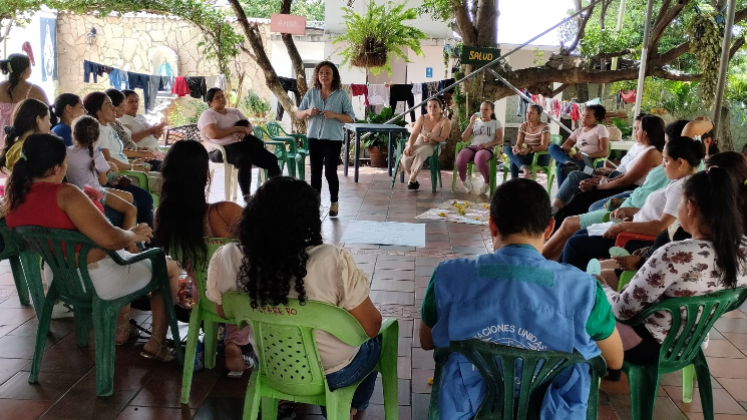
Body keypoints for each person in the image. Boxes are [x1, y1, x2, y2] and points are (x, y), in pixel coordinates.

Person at [419, 179, 623, 419]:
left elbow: (426, 340)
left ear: (492, 225)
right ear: (549, 227)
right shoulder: (584, 290)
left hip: (470, 409)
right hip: (550, 410)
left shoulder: (448, 276)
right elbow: (614, 360)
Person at [206, 177, 383, 417]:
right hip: (336, 371)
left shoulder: (228, 256)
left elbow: (223, 312)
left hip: (271, 365)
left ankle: (283, 400)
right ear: (308, 220)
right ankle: (348, 409)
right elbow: (371, 327)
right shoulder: (331, 259)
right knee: (378, 341)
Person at [4, 133, 181, 359]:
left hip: (60, 279)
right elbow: (111, 239)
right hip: (97, 280)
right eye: (65, 164)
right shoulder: (65, 193)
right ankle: (156, 344)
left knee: (123, 257)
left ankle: (121, 330)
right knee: (170, 268)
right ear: (55, 168)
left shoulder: (14, 199)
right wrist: (132, 234)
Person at [601, 167, 747, 363]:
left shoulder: (676, 254)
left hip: (649, 344)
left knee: (580, 306)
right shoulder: (743, 249)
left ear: (691, 207)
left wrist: (600, 286)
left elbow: (622, 311)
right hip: (692, 342)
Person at [154, 140, 249, 374]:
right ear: (205, 174)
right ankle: (235, 342)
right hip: (243, 301)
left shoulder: (162, 218)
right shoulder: (225, 211)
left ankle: (217, 338)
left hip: (204, 299)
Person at [544, 120, 688, 261]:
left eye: (638, 128)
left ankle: (541, 254)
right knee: (575, 189)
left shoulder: (673, 177)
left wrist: (622, 223)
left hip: (631, 223)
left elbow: (628, 181)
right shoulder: (672, 180)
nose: (663, 164)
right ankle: (549, 254)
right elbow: (629, 179)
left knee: (574, 223)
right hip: (628, 206)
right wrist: (606, 181)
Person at [559, 136, 704, 270]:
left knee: (574, 245)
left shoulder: (680, 189)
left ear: (680, 162)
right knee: (577, 235)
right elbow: (658, 214)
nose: (663, 165)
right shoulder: (678, 182)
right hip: (635, 229)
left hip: (638, 239)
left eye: (666, 160)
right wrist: (630, 211)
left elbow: (662, 226)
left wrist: (624, 226)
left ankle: (570, 289)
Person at [552, 114, 665, 223]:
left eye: (638, 128)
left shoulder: (652, 153)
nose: (635, 131)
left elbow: (625, 181)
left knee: (581, 199)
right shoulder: (646, 149)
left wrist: (597, 187)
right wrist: (602, 182)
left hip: (630, 189)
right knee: (578, 189)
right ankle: (556, 217)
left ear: (645, 133)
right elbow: (625, 175)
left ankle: (558, 226)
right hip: (621, 182)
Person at [83, 91, 154, 228]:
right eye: (109, 106)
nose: (114, 109)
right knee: (144, 198)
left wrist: (136, 156)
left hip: (123, 169)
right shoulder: (98, 130)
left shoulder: (107, 127)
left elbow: (118, 153)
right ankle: (144, 240)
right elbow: (107, 160)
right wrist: (132, 167)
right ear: (98, 111)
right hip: (115, 175)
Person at [198, 88, 281, 199]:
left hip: (242, 145)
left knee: (271, 159)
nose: (222, 98)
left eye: (222, 95)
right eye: (217, 97)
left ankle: (277, 190)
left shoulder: (234, 111)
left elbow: (249, 126)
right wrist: (236, 129)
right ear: (210, 102)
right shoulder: (208, 114)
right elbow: (214, 134)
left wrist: (244, 132)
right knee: (244, 160)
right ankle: (246, 195)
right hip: (219, 150)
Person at [296, 61, 356, 214]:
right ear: (317, 75)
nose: (324, 76)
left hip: (333, 139)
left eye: (328, 73)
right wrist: (308, 111)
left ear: (333, 75)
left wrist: (334, 114)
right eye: (321, 73)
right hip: (314, 138)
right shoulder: (311, 93)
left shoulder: (341, 94)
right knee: (315, 173)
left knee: (330, 172)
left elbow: (351, 118)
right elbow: (298, 113)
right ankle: (315, 205)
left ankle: (334, 203)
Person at [66, 115, 138, 239]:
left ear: (74, 135)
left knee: (129, 196)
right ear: (98, 136)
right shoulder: (96, 154)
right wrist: (110, 173)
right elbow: (104, 181)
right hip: (95, 194)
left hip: (77, 193)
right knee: (131, 210)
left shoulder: (66, 152)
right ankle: (131, 245)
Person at [548, 105, 609, 188]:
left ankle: (562, 197)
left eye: (588, 117)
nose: (583, 118)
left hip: (590, 164)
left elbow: (605, 152)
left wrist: (585, 156)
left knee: (561, 167)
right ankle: (568, 162)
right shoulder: (578, 131)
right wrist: (566, 147)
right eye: (583, 115)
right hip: (576, 161)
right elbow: (566, 145)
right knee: (552, 147)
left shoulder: (600, 128)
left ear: (596, 118)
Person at [399, 98, 451, 191]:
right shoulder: (422, 118)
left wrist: (432, 138)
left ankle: (411, 179)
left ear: (440, 108)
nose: (432, 108)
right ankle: (413, 181)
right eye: (430, 106)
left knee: (421, 153)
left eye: (435, 106)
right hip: (418, 142)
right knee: (406, 156)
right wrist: (410, 145)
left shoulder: (445, 122)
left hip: (433, 146)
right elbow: (414, 134)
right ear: (426, 108)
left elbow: (443, 138)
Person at [0, 54, 49, 148]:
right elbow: (47, 112)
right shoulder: (35, 90)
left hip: (2, 134)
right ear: (25, 70)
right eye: (29, 66)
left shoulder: (1, 87)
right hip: (25, 135)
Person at [105, 89, 162, 171]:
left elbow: (124, 145)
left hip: (139, 156)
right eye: (122, 106)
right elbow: (113, 154)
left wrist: (140, 151)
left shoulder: (115, 123)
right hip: (129, 162)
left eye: (136, 101)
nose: (123, 110)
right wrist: (139, 154)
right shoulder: (105, 127)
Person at [456, 100, 503, 194]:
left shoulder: (496, 123)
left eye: (486, 109)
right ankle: (464, 180)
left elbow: (500, 139)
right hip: (473, 146)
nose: (483, 112)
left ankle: (487, 181)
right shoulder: (476, 122)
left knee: (479, 158)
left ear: (492, 111)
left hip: (487, 148)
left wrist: (487, 144)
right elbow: (464, 138)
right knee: (460, 158)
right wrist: (471, 123)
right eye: (481, 109)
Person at [0, 99, 51, 172]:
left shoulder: (15, 147)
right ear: (38, 120)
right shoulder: (30, 149)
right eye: (48, 119)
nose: (50, 124)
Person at [502, 104, 548, 181]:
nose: (528, 115)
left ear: (538, 115)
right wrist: (517, 148)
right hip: (528, 154)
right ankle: (524, 169)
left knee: (514, 161)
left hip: (540, 156)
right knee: (507, 149)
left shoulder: (544, 127)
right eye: (527, 112)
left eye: (532, 113)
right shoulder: (523, 126)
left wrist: (529, 150)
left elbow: (544, 146)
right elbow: (518, 143)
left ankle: (515, 185)